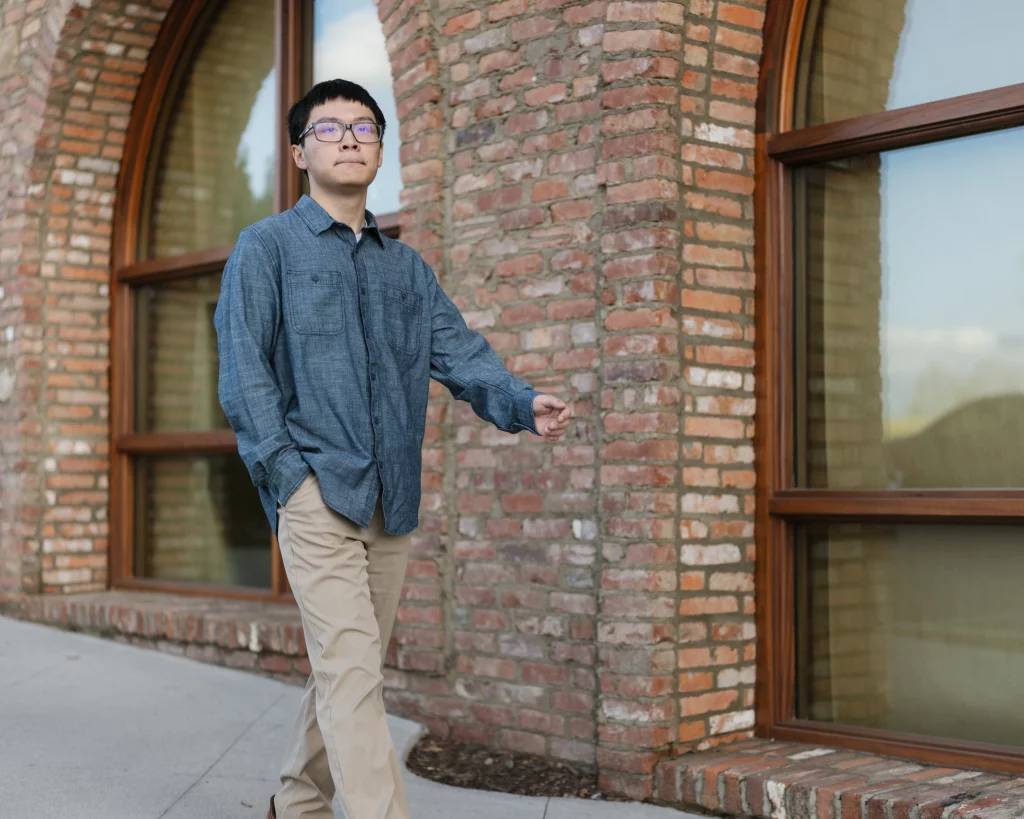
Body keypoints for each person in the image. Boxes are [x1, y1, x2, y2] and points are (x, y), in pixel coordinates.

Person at [213, 78, 571, 819]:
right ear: (299, 153)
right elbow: (245, 376)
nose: (349, 137)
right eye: (329, 127)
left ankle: (297, 802)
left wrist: (519, 401)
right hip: (317, 491)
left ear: (380, 150)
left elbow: (460, 355)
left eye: (365, 127)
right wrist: (289, 478)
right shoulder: (266, 248)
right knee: (351, 670)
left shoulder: (406, 270)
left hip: (392, 500)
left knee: (352, 668)